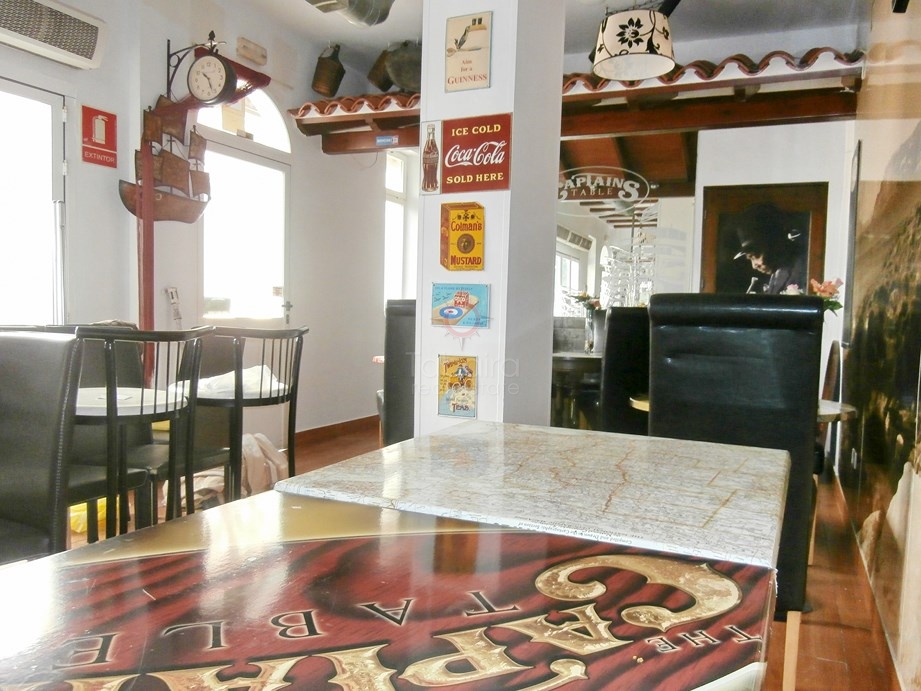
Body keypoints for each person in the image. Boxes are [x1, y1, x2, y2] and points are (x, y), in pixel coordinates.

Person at [732, 202, 807, 294]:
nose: (754, 266)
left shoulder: (803, 269)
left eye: (755, 256)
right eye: (750, 258)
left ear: (773, 245)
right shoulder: (777, 272)